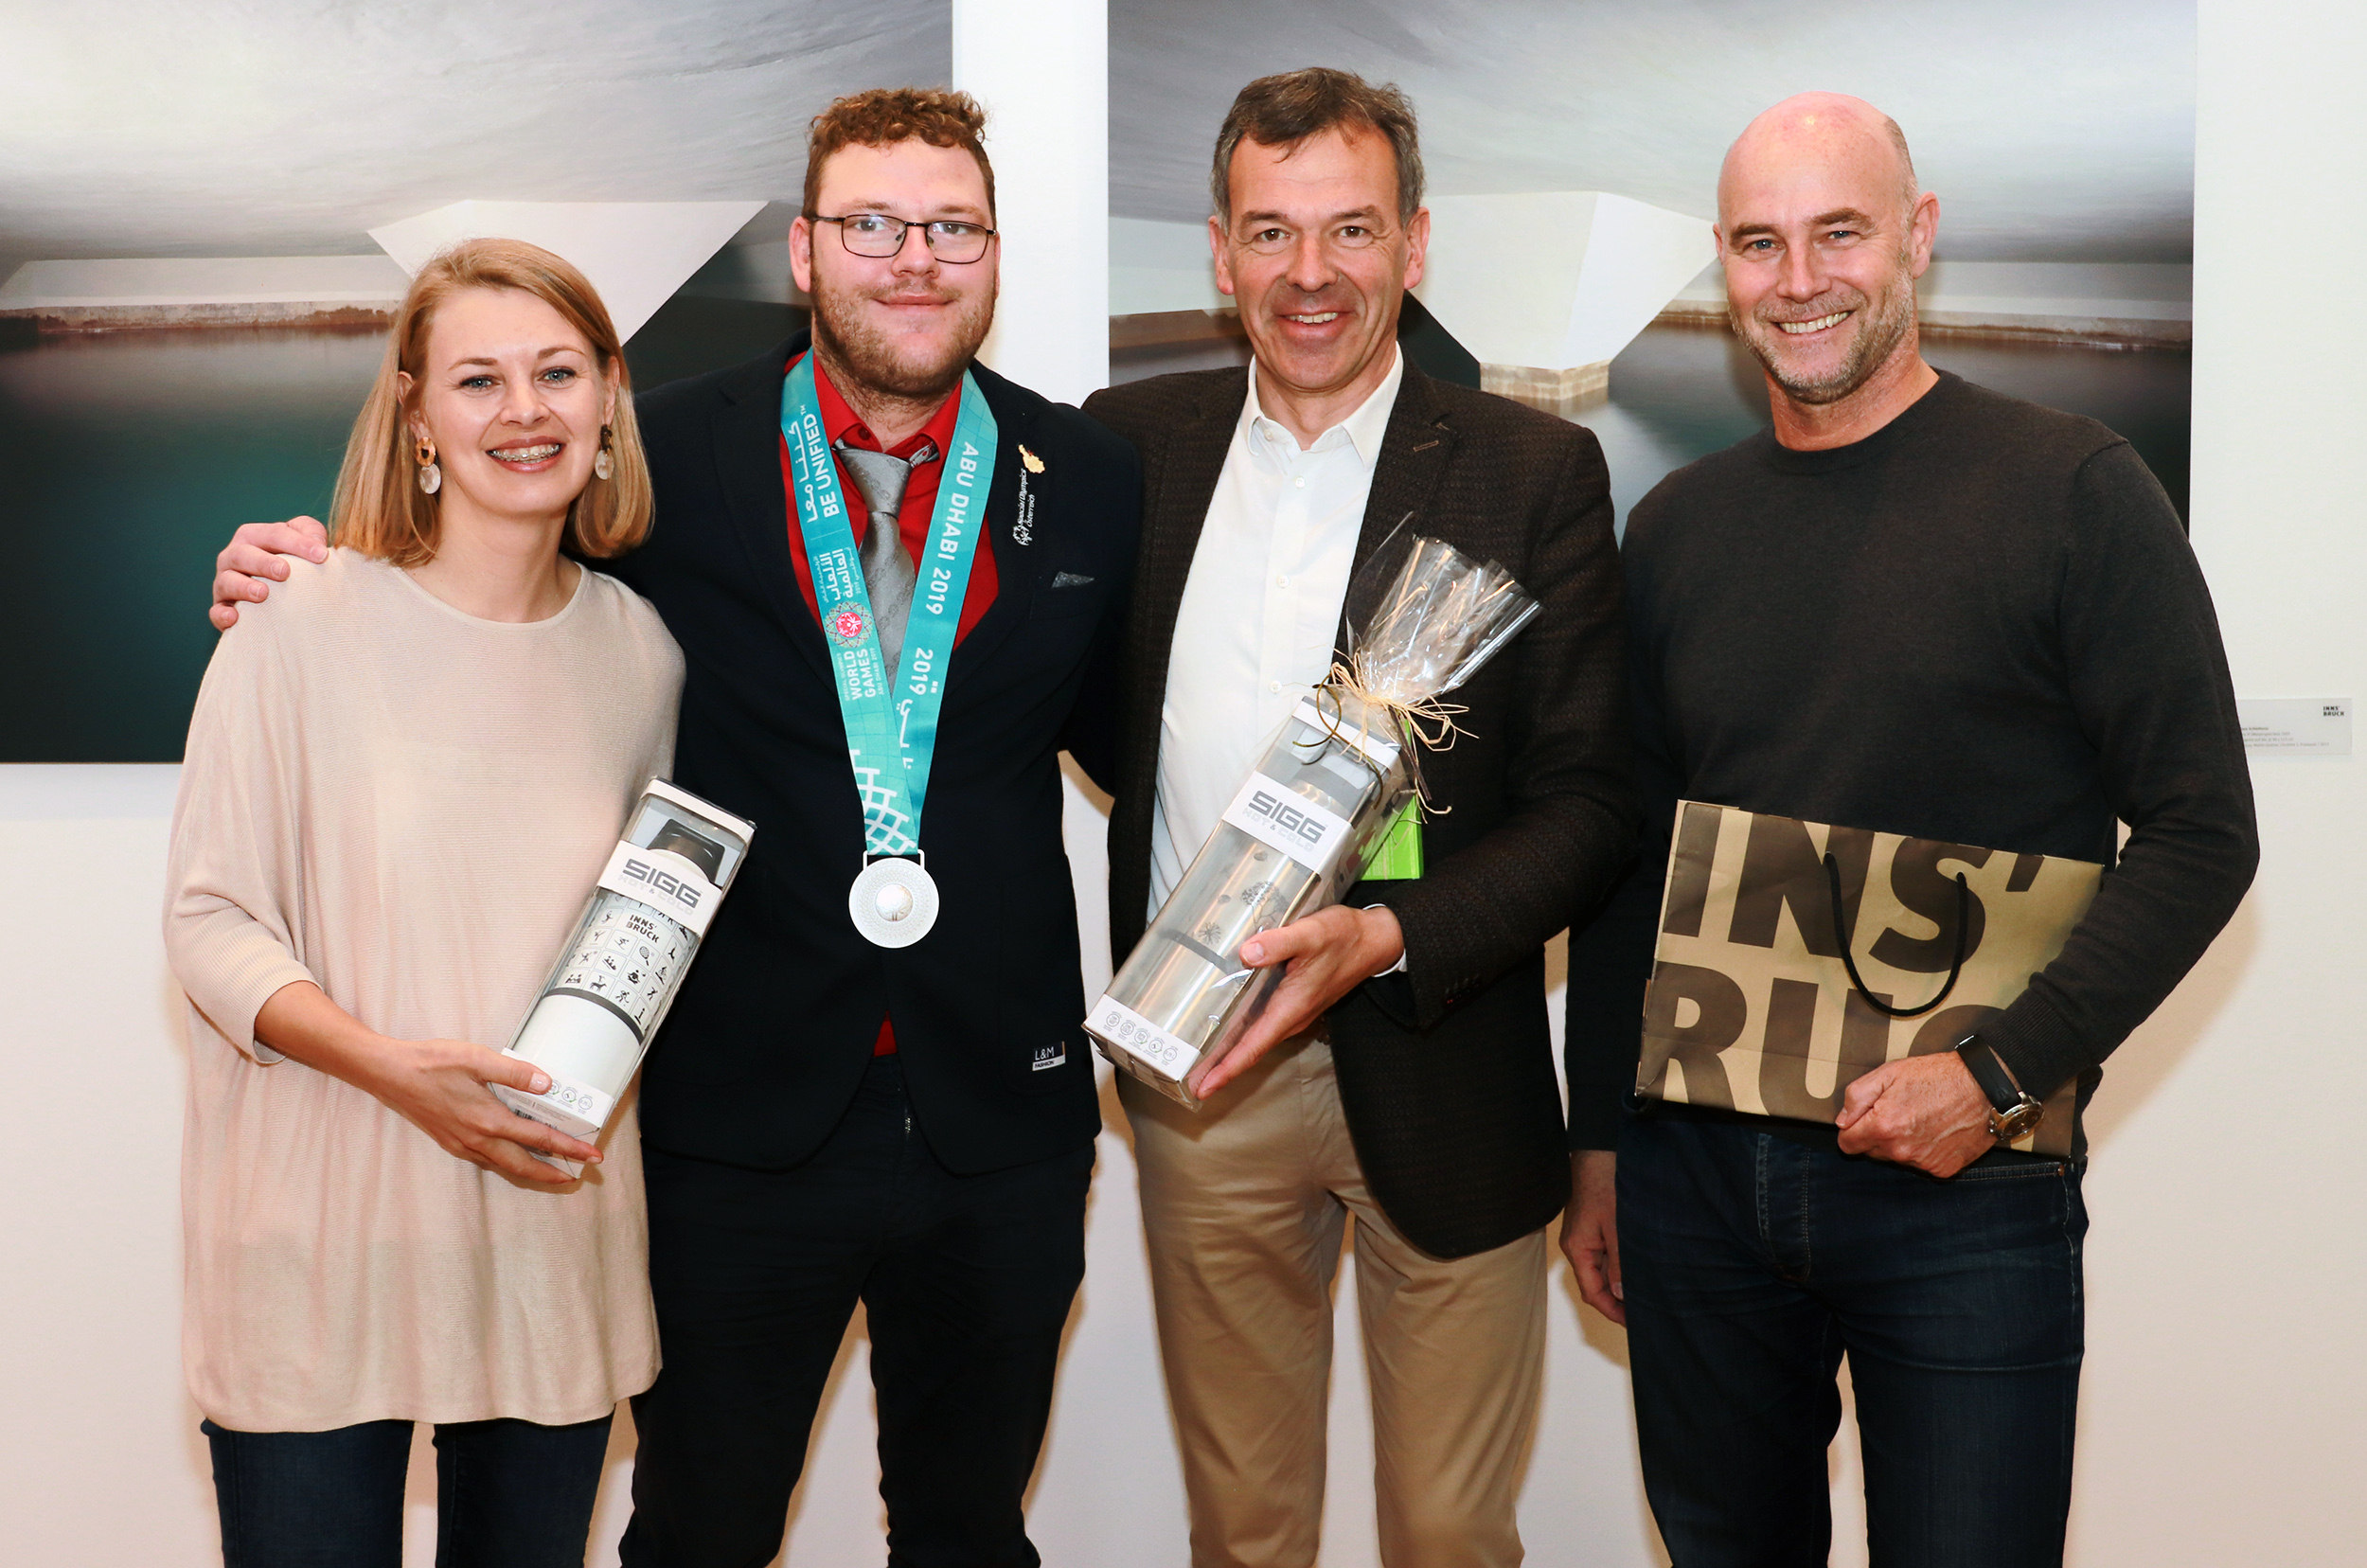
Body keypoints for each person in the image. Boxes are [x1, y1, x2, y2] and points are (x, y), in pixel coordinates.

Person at [211, 88, 1139, 1567]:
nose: (914, 258)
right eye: (874, 225)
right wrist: (301, 561)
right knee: (700, 1529)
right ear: (807, 250)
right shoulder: (661, 457)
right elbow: (472, 567)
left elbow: (1138, 745)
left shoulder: (1086, 475)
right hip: (734, 1119)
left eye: (951, 226)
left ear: (995, 253)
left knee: (971, 1531)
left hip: (1002, 1117)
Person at [1560, 94, 2257, 1567]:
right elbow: (1640, 853)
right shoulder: (1677, 525)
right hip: (1698, 1178)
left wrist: (1997, 1072)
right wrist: (1602, 1147)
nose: (1798, 279)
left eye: (1838, 233)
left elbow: (2205, 831)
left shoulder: (2075, 490)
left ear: (1918, 238)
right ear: (1724, 263)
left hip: (1969, 1187)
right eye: (1760, 242)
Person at [1082, 69, 1634, 1568]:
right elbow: (1059, 698)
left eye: (1349, 230)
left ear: (1415, 243)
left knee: (1452, 1535)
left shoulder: (1533, 472)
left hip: (1446, 1061)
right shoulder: (1123, 449)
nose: (1309, 275)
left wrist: (1392, 931)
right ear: (1219, 252)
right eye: (1271, 233)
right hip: (1207, 1074)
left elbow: (1591, 804)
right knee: (1245, 1532)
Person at [167, 238, 677, 1566]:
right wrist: (397, 1071)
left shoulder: (644, 654)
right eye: (480, 379)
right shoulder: (296, 615)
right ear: (416, 414)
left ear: (610, 395)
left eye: (558, 372)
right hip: (322, 1241)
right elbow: (210, 925)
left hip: (544, 1238)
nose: (526, 411)